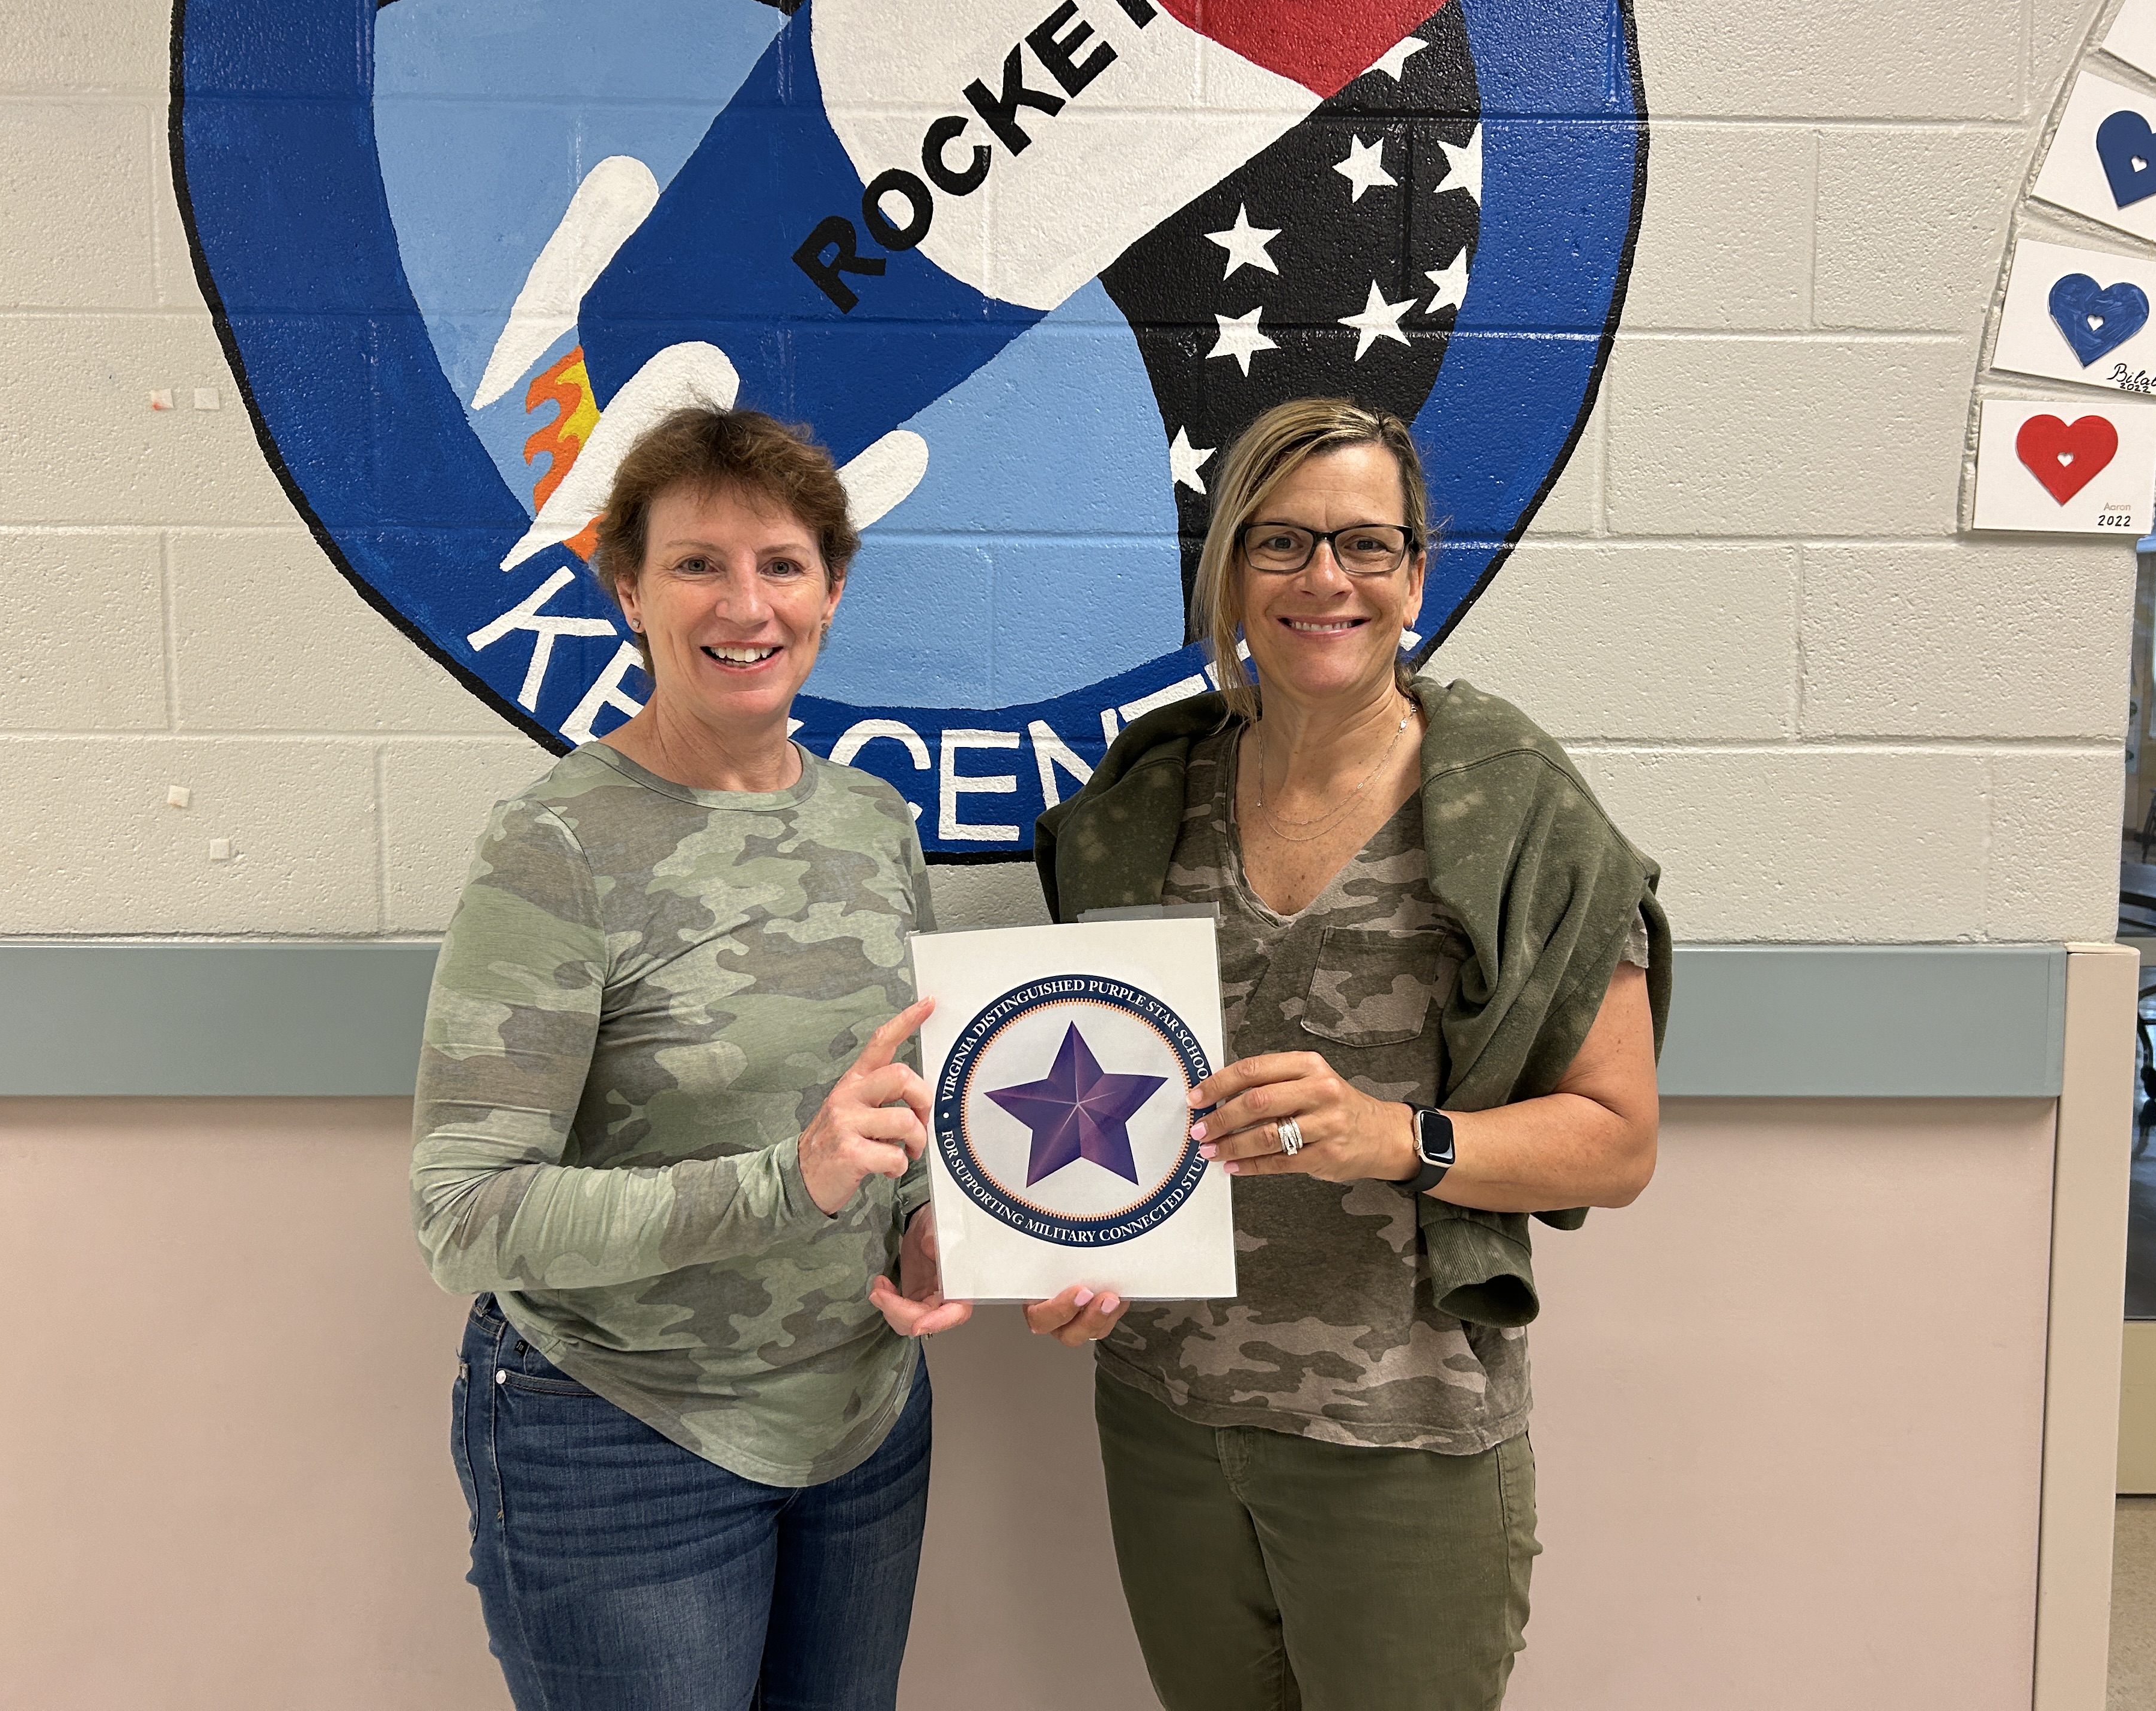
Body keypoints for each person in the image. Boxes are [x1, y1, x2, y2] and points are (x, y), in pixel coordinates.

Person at [1028, 397, 1670, 1710]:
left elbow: (1618, 1141)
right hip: (1166, 1416)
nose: (1326, 578)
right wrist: (1064, 1238)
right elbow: (1087, 1086)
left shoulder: (1514, 811)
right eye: (1282, 543)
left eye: (1367, 544)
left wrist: (1398, 1138)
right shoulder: (1145, 801)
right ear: (1228, 576)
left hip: (1407, 1433)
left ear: (1416, 573)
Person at [409, 406, 968, 1711]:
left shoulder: (874, 824)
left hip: (865, 1427)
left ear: (832, 587)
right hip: (622, 1443)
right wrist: (790, 1182)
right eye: (696, 564)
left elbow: (900, 1117)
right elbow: (464, 1217)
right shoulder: (559, 845)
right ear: (628, 590)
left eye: (781, 563)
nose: (745, 605)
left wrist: (935, 1230)